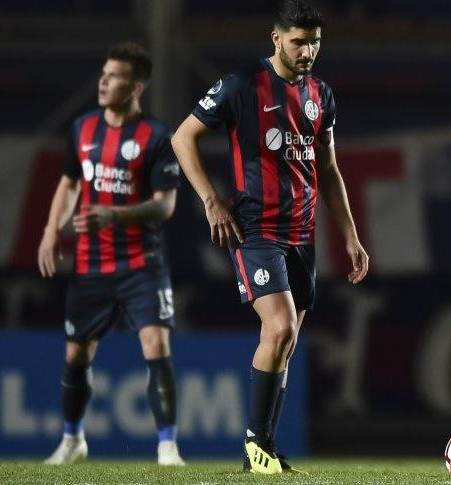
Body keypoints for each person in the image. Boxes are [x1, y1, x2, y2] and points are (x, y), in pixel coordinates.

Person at [171, 0, 368, 475]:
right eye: (298, 41)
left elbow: (329, 169)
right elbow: (183, 138)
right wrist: (211, 201)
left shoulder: (322, 94)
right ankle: (256, 445)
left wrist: (351, 236)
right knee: (278, 328)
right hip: (256, 229)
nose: (308, 51)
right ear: (276, 38)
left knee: (288, 341)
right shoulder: (242, 85)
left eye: (315, 42)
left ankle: (263, 449)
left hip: (303, 234)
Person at [37, 42, 185, 466]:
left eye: (114, 75)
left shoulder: (157, 137)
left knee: (156, 342)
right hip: (91, 264)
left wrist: (114, 215)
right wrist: (51, 230)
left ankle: (168, 448)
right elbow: (69, 184)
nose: (103, 81)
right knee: (76, 354)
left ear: (136, 86)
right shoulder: (82, 129)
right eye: (103, 73)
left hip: (143, 264)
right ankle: (72, 441)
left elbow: (165, 205)